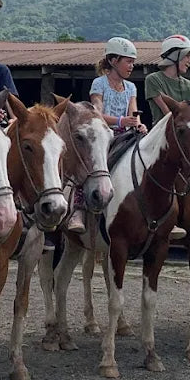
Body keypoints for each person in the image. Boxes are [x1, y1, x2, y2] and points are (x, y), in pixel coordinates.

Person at [69, 37, 146, 233]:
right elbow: (97, 113)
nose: (132, 66)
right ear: (113, 61)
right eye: (128, 61)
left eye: (132, 62)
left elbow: (134, 113)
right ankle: (79, 210)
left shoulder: (131, 87)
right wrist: (121, 122)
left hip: (127, 136)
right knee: (89, 166)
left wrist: (138, 124)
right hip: (104, 136)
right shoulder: (99, 83)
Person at [144, 34, 190, 126]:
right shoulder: (153, 79)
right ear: (174, 55)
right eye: (187, 56)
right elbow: (168, 113)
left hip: (185, 132)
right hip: (162, 132)